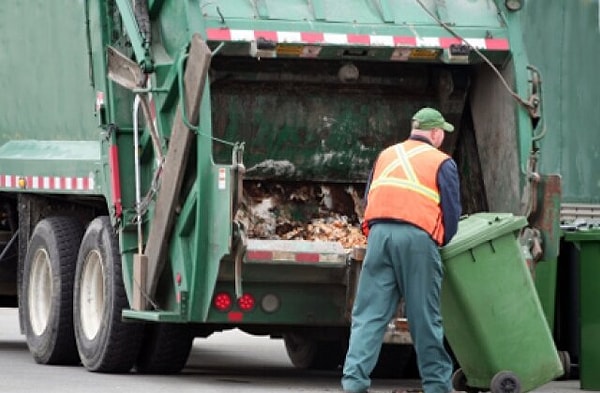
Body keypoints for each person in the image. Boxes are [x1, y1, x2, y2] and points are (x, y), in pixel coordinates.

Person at [341, 107, 461, 393]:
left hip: (379, 236)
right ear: (434, 133)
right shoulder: (442, 162)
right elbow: (452, 212)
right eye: (442, 131)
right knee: (424, 318)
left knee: (369, 315)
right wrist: (441, 240)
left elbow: (369, 195)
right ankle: (436, 387)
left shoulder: (387, 155)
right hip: (417, 240)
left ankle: (354, 384)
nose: (442, 136)